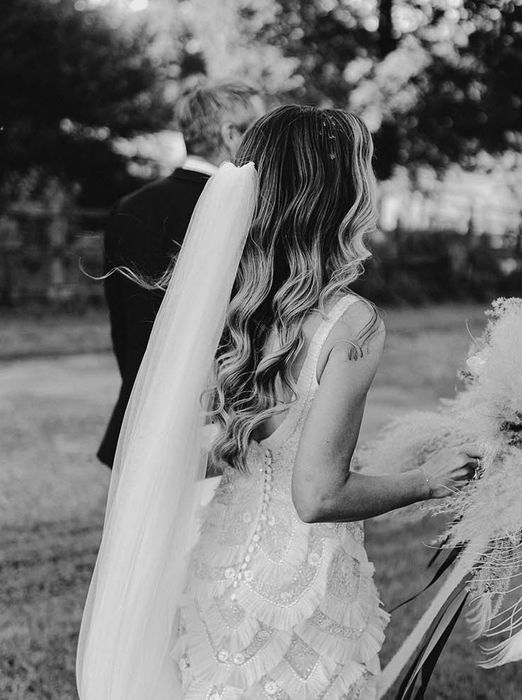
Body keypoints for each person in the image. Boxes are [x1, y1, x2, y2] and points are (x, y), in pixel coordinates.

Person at [77, 105, 481, 700]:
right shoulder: (352, 324)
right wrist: (429, 480)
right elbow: (318, 495)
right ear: (340, 196)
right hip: (299, 591)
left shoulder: (224, 300)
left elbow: (214, 450)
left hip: (220, 570)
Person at [97, 81, 264, 467]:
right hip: (219, 433)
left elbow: (123, 327)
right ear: (230, 133)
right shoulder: (249, 211)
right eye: (258, 129)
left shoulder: (129, 207)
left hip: (141, 422)